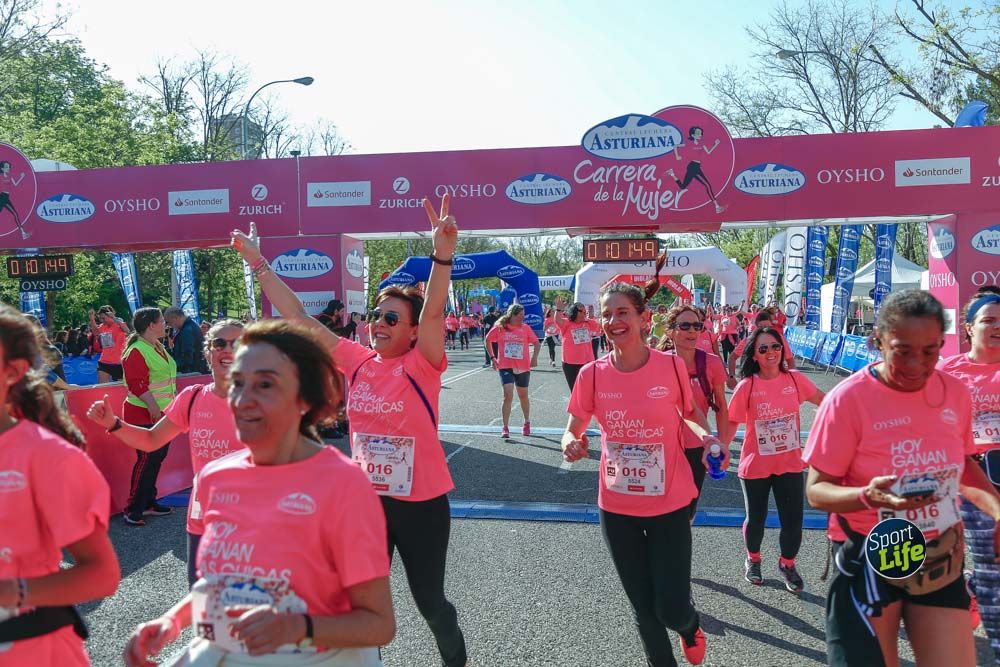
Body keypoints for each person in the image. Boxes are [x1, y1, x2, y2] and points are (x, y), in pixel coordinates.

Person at [230, 196, 468, 667]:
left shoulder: (423, 365)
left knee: (429, 603)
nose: (379, 324)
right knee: (358, 606)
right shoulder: (357, 362)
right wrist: (257, 262)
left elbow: (436, 313)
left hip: (420, 505)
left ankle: (455, 660)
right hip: (364, 504)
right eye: (376, 316)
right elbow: (296, 319)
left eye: (392, 319)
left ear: (413, 331)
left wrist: (443, 256)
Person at [123, 319, 395, 666]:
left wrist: (296, 627)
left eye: (265, 384)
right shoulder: (214, 478)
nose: (244, 399)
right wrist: (173, 620)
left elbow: (379, 624)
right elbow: (220, 584)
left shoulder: (344, 485)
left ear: (304, 397)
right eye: (238, 383)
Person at [804, 290, 1000, 666]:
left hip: (939, 551)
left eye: (930, 351)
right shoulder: (848, 399)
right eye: (902, 350)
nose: (916, 364)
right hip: (871, 550)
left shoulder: (954, 393)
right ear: (878, 341)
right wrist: (869, 495)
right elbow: (816, 491)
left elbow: (963, 462)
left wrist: (997, 511)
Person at [561, 282, 714, 667]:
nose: (614, 321)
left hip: (669, 503)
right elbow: (573, 426)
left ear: (644, 318)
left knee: (672, 609)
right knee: (643, 610)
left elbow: (691, 415)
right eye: (607, 314)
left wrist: (708, 437)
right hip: (617, 506)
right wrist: (570, 442)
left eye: (623, 312)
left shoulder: (672, 366)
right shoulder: (591, 375)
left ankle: (689, 625)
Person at [0, 305, 120, 665]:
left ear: (13, 371)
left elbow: (102, 574)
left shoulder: (46, 455)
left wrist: (15, 591)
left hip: (32, 651)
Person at [87, 320, 246, 586]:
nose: (227, 350)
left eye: (238, 344)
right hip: (203, 517)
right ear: (207, 352)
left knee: (250, 609)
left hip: (251, 518)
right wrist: (114, 424)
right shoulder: (192, 398)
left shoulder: (266, 400)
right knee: (204, 602)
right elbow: (151, 439)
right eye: (219, 344)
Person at [727, 325, 824, 592]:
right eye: (763, 349)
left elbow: (824, 401)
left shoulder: (794, 379)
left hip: (790, 464)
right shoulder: (748, 386)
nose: (771, 352)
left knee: (793, 521)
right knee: (755, 519)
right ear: (754, 355)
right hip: (756, 465)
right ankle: (753, 559)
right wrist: (720, 449)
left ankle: (787, 564)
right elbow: (731, 422)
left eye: (776, 347)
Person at [938, 286, 1000, 662]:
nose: (997, 327)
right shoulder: (949, 371)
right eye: (988, 320)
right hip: (962, 475)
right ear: (968, 328)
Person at [657, 305, 733, 517]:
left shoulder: (712, 363)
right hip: (662, 445)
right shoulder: (657, 362)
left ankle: (679, 545)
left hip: (697, 445)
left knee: (688, 508)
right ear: (671, 331)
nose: (692, 330)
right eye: (685, 325)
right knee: (661, 506)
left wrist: (723, 445)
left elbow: (721, 409)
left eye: (697, 326)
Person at [120, 307, 177, 526]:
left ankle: (148, 502)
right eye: (162, 320)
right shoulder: (136, 350)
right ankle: (133, 508)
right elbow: (136, 384)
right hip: (145, 414)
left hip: (161, 413)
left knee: (155, 459)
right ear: (151, 325)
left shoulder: (155, 346)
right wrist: (153, 407)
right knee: (147, 460)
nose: (165, 323)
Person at [485, 304, 541, 439]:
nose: (523, 317)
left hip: (522, 366)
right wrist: (493, 358)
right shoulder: (500, 328)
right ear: (512, 315)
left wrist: (534, 358)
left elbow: (537, 343)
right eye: (520, 315)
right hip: (506, 366)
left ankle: (526, 422)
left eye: (523, 315)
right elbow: (487, 340)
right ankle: (505, 427)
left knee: (523, 396)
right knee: (507, 395)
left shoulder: (525, 328)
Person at [726, 310, 794, 389]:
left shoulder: (779, 339)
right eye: (761, 327)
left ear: (771, 325)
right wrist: (731, 376)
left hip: (775, 381)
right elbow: (732, 357)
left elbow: (790, 359)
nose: (764, 330)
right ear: (756, 326)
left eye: (767, 327)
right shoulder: (750, 339)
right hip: (752, 381)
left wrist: (793, 379)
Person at [553, 297, 597, 390]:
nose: (584, 313)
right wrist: (558, 309)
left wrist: (588, 317)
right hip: (570, 364)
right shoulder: (567, 323)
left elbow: (599, 325)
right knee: (574, 390)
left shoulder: (588, 323)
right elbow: (557, 319)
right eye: (581, 311)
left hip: (587, 362)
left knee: (588, 389)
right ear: (574, 312)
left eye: (585, 311)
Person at [89, 305, 130, 383]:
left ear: (110, 315)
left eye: (104, 318)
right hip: (104, 361)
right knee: (102, 386)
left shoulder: (118, 324)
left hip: (118, 362)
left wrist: (114, 317)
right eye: (100, 318)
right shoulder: (102, 326)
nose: (102, 320)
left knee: (120, 386)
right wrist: (92, 318)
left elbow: (127, 330)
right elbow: (95, 332)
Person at [164, 306, 209, 375]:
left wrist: (169, 366)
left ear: (175, 318)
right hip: (195, 370)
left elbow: (187, 358)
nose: (169, 325)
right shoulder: (189, 327)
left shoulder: (187, 331)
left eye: (169, 322)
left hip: (192, 372)